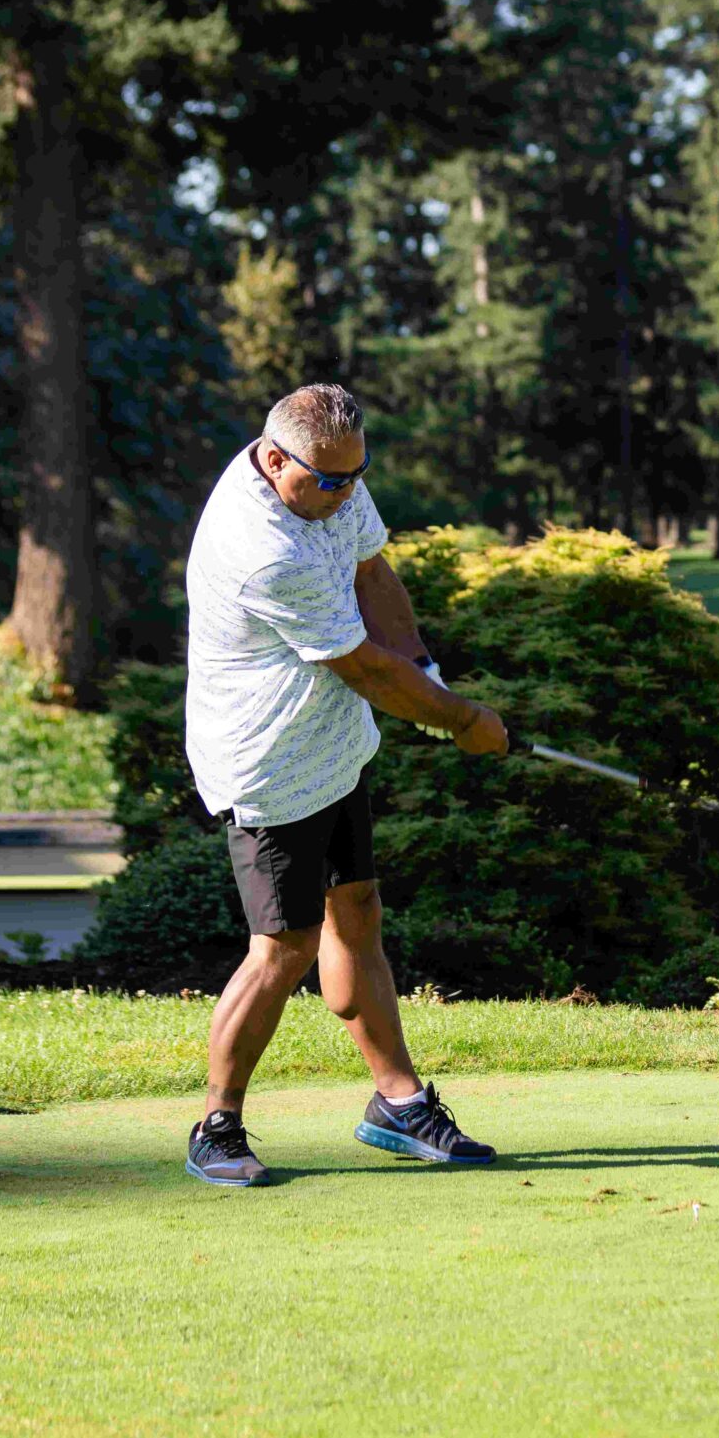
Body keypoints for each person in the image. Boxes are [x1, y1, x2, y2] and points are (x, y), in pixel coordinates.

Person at [179, 383, 510, 1187]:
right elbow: (364, 668)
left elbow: (372, 573)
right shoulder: (265, 551)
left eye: (357, 476)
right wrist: (461, 719)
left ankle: (398, 1103)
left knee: (356, 912)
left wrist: (426, 668)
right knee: (284, 949)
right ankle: (216, 1126)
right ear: (273, 460)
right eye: (330, 481)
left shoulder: (332, 478)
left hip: (330, 746)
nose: (347, 492)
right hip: (268, 764)